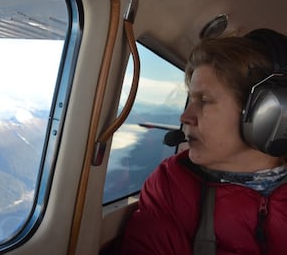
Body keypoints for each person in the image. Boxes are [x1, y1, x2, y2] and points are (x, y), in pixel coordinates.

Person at [119, 29, 287, 255]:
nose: (185, 117)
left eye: (204, 100)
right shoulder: (171, 185)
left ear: (268, 112)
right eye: (191, 98)